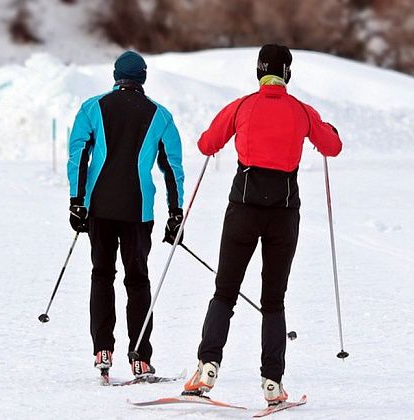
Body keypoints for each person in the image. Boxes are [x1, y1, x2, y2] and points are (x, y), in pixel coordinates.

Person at [183, 44, 342, 404]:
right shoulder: (302, 111)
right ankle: (272, 382)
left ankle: (207, 366)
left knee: (225, 290)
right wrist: (328, 129)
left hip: (243, 210)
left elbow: (206, 144)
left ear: (259, 72)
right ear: (287, 73)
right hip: (284, 215)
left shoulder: (242, 106)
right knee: (273, 300)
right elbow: (332, 147)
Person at [67, 50, 185, 381]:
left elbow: (79, 155)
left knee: (101, 274)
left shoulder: (92, 107)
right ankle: (140, 358)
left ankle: (102, 349)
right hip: (138, 210)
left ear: (116, 76)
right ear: (142, 78)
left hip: (100, 208)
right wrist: (176, 213)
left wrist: (77, 201)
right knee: (137, 280)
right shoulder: (160, 115)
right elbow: (172, 169)